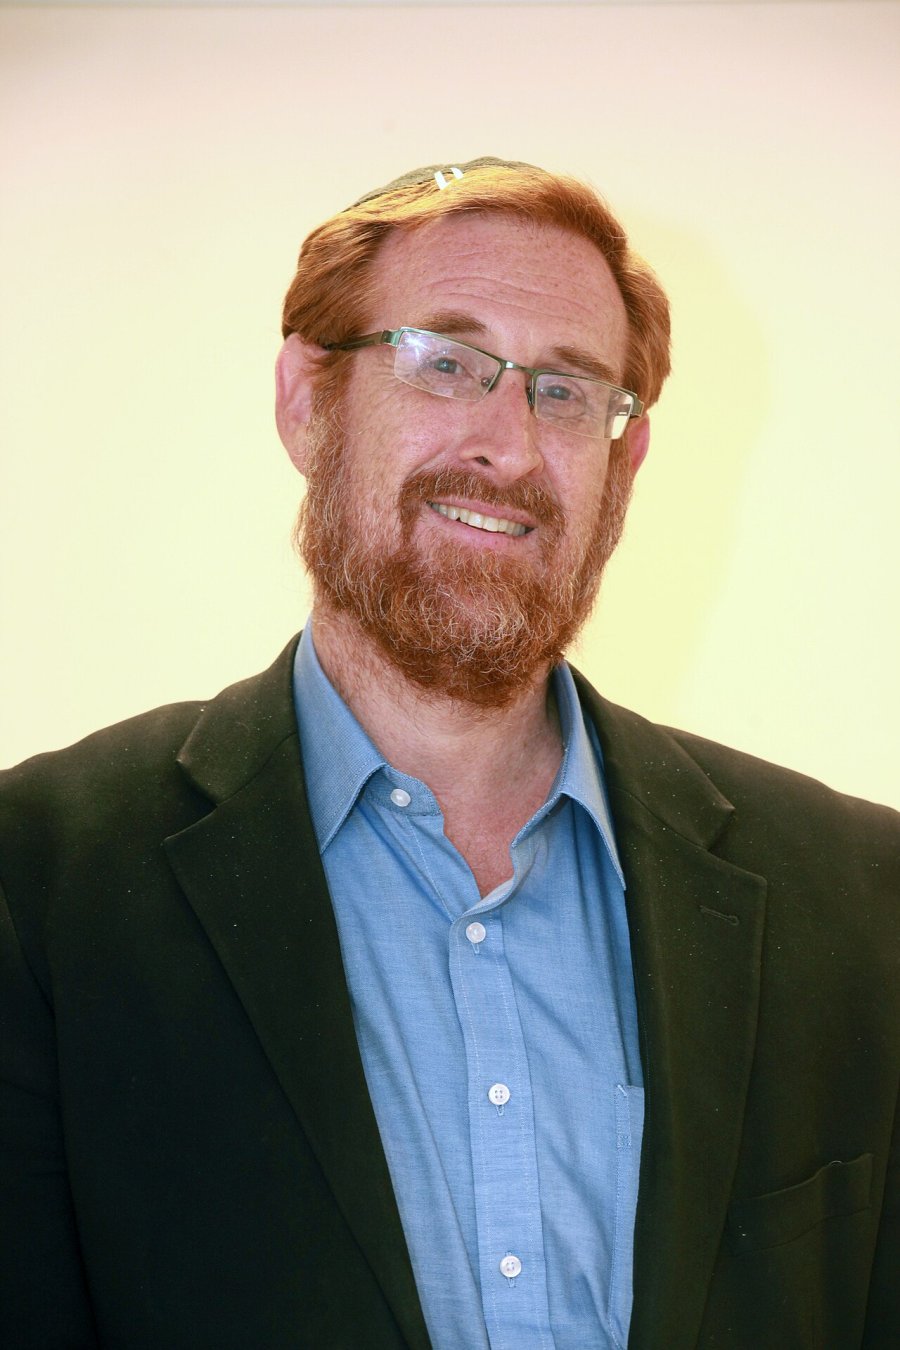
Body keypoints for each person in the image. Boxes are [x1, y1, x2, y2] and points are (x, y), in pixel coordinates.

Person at [0, 157, 896, 1350]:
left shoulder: (862, 899)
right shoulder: (39, 887)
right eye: (446, 362)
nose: (507, 448)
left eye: (565, 391)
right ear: (307, 403)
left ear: (624, 467)